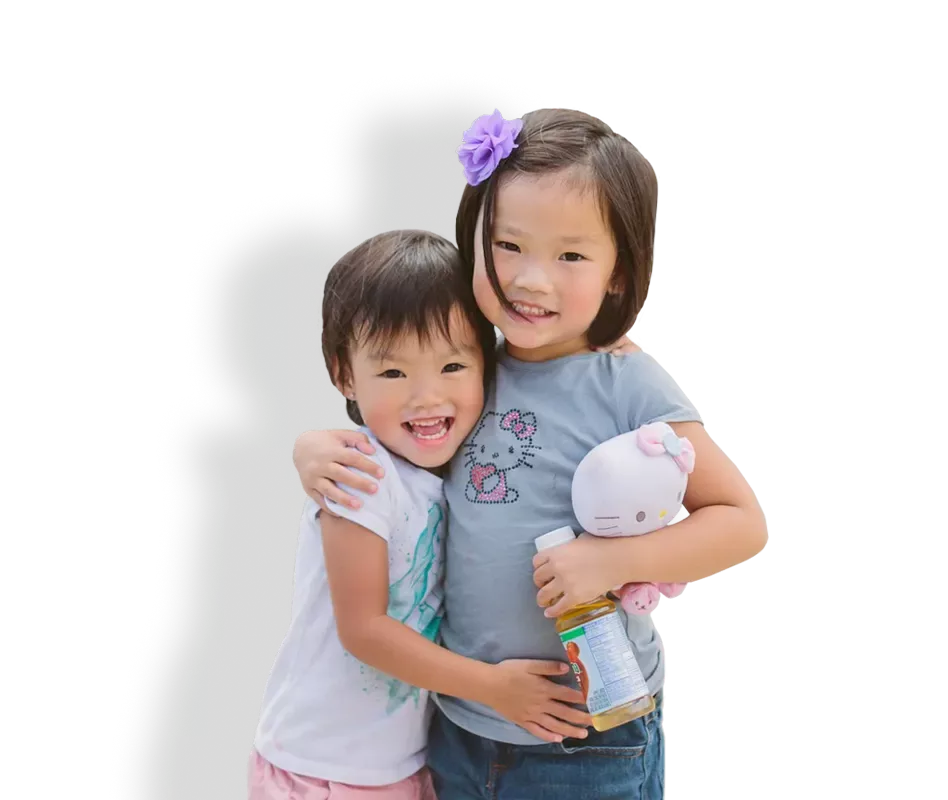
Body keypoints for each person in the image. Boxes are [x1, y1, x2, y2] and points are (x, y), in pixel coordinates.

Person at [289, 108, 769, 800]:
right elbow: (394, 429)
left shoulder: (625, 379)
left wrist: (612, 561)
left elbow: (741, 522)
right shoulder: (467, 360)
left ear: (617, 273)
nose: (531, 281)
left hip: (589, 736)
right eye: (509, 245)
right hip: (459, 724)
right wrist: (313, 447)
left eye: (571, 255)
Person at [248, 228, 601, 800]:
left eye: (453, 367)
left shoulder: (452, 470)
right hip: (318, 769)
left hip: (403, 763)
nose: (426, 397)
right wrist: (494, 688)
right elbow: (363, 630)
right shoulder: (359, 474)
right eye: (393, 373)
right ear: (344, 375)